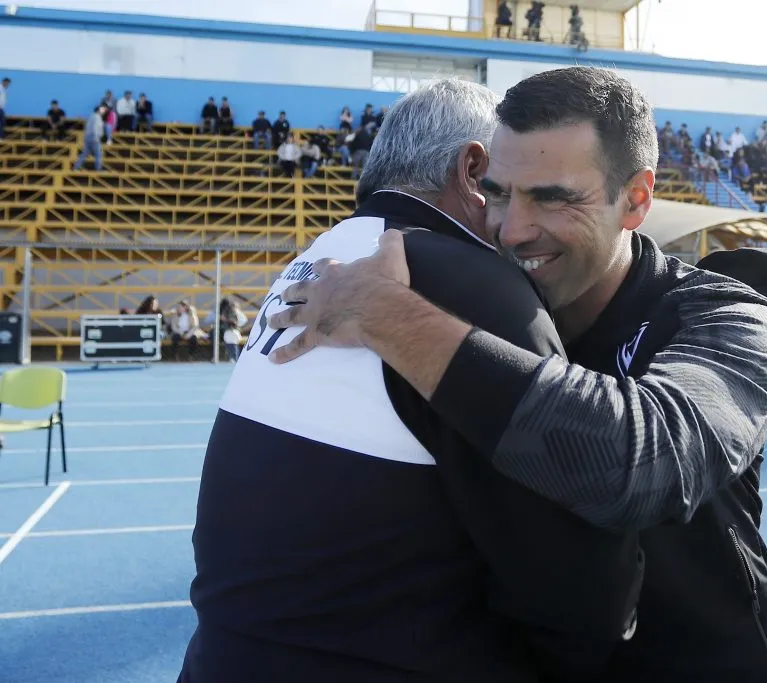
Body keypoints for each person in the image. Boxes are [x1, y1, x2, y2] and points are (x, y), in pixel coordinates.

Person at [268, 66, 767, 682]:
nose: (512, 230)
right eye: (497, 193)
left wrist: (391, 318)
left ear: (636, 200)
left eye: (552, 197)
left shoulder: (732, 319)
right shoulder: (490, 308)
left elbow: (645, 465)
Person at [178, 78, 642, 683]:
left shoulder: (320, 256)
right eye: (505, 189)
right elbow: (575, 569)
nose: (516, 226)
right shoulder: (467, 279)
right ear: (475, 168)